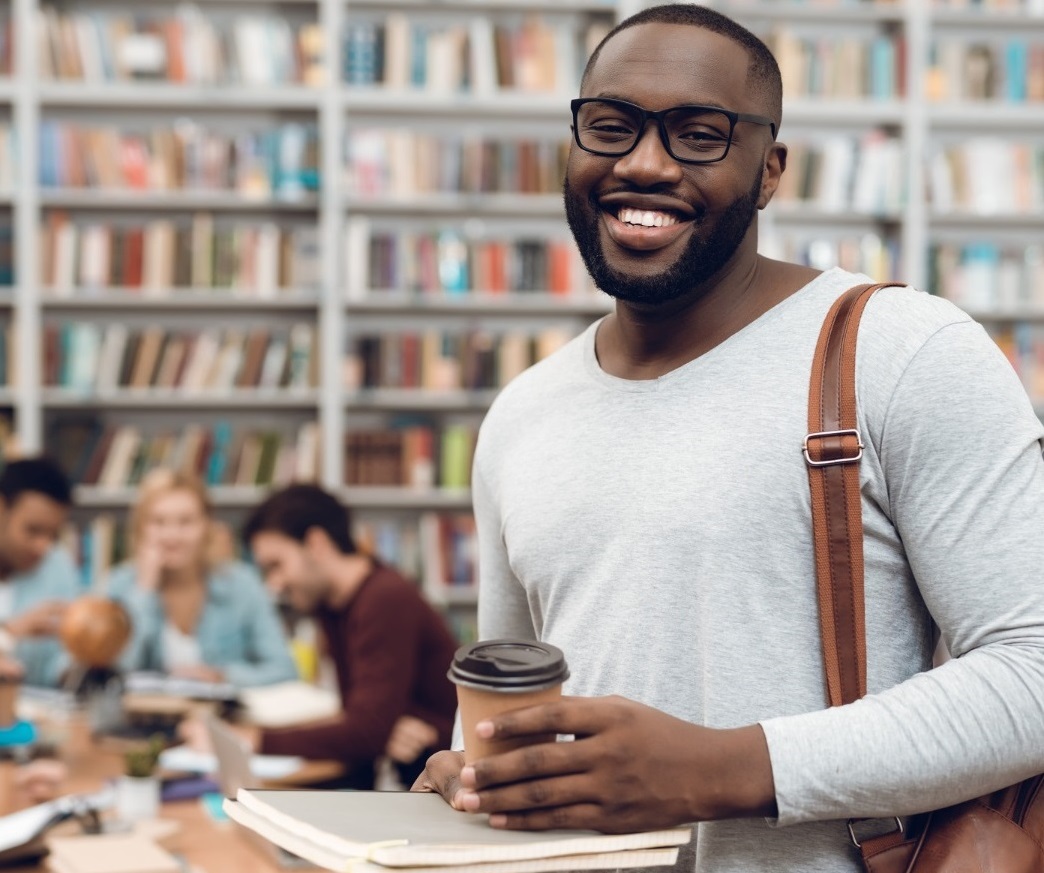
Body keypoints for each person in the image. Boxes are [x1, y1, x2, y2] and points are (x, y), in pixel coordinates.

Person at [413, 5, 1044, 872]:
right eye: (611, 126)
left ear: (769, 170)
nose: (642, 162)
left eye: (698, 135)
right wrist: (479, 780)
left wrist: (725, 767)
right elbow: (508, 706)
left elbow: (1034, 671)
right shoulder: (521, 413)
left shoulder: (904, 351)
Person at [229, 483, 459, 789]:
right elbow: (362, 719)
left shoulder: (384, 598)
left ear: (316, 543)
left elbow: (365, 731)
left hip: (442, 786)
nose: (274, 584)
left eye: (277, 565)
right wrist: (377, 726)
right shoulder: (333, 607)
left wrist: (256, 739)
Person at [106, 469, 297, 687]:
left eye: (185, 522)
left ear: (206, 527)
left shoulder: (242, 584)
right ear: (141, 528)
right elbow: (115, 672)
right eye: (158, 522)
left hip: (224, 718)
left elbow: (284, 670)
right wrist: (144, 590)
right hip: (145, 719)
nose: (172, 536)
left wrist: (223, 676)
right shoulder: (119, 585)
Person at [0, 457, 80, 687]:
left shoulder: (58, 566)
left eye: (53, 535)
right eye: (32, 530)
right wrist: (10, 633)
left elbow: (62, 661)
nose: (43, 546)